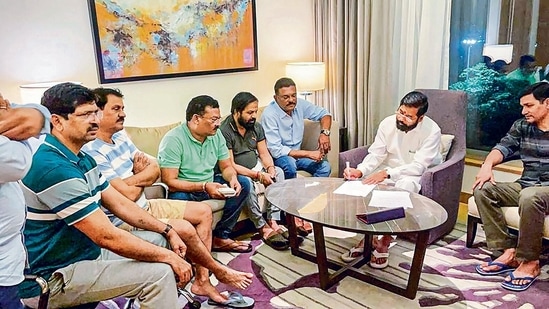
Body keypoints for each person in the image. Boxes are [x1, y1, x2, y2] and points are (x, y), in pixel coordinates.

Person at [19, 83, 251, 308]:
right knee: (158, 274)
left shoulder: (81, 158)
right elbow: (106, 236)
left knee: (164, 241)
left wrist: (167, 231)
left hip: (85, 253)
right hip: (54, 275)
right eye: (85, 115)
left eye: (95, 113)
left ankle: (202, 280)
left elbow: (120, 203)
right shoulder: (53, 168)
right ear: (57, 121)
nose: (94, 120)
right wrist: (168, 257)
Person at [82, 87, 252, 303]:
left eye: (123, 108)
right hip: (123, 216)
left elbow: (154, 168)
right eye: (116, 109)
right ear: (97, 113)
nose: (123, 113)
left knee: (204, 212)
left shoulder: (120, 135)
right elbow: (128, 194)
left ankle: (202, 281)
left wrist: (136, 179)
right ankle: (217, 270)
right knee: (184, 227)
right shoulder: (92, 150)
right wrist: (140, 176)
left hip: (145, 204)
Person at [341, 91, 442, 268]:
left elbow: (418, 166)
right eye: (400, 111)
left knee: (403, 189)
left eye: (408, 116)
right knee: (362, 186)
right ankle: (368, 239)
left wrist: (388, 174)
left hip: (412, 173)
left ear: (420, 118)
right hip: (385, 169)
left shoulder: (432, 131)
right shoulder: (388, 123)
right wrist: (360, 170)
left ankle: (385, 241)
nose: (402, 118)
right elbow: (376, 154)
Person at [473, 82, 549, 292]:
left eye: (529, 105)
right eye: (522, 106)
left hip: (542, 191)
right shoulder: (522, 126)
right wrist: (487, 165)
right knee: (483, 189)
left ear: (547, 103)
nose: (524, 111)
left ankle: (530, 262)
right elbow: (503, 147)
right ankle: (507, 251)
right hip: (527, 184)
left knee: (530, 196)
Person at [159, 95, 253, 253]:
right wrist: (203, 186)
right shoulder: (173, 139)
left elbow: (226, 167)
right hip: (184, 190)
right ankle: (193, 252)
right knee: (179, 199)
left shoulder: (216, 136)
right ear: (196, 119)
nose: (218, 124)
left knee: (243, 183)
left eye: (219, 119)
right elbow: (170, 181)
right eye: (213, 119)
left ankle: (222, 237)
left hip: (209, 184)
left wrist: (233, 178)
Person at [261, 77, 332, 235]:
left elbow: (325, 114)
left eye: (293, 95)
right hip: (280, 158)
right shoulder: (269, 114)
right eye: (285, 97)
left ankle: (310, 209)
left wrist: (324, 133)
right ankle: (293, 213)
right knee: (289, 165)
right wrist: (309, 153)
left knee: (324, 166)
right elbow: (276, 150)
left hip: (298, 155)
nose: (291, 100)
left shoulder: (299, 104)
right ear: (275, 98)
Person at [219, 91, 288, 250]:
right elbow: (230, 164)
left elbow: (264, 153)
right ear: (237, 112)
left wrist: (270, 168)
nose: (254, 116)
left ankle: (273, 220)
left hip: (257, 166)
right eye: (249, 112)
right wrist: (258, 175)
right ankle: (261, 226)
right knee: (247, 183)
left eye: (255, 111)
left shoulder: (255, 126)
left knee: (279, 172)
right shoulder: (225, 131)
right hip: (238, 171)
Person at [0, 94, 49, 309]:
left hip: (9, 263)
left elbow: (34, 117)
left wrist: (35, 117)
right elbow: (17, 163)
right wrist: (22, 134)